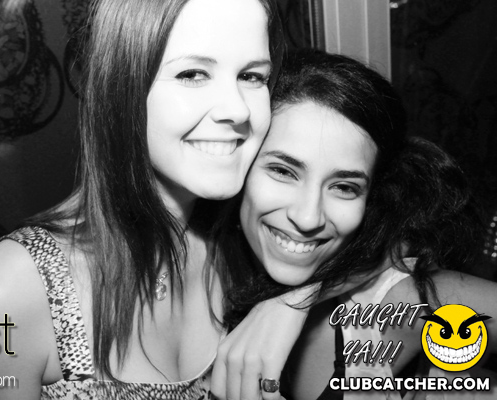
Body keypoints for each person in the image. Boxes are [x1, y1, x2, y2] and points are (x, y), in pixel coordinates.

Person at [0, 0, 284, 398]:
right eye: (193, 74)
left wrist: (287, 307)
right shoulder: (10, 293)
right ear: (120, 89)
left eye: (251, 76)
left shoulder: (245, 239)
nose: (237, 109)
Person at [212, 50, 496, 400]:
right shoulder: (199, 262)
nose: (308, 217)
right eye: (283, 171)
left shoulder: (400, 301)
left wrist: (293, 301)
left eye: (344, 187)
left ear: (371, 197)